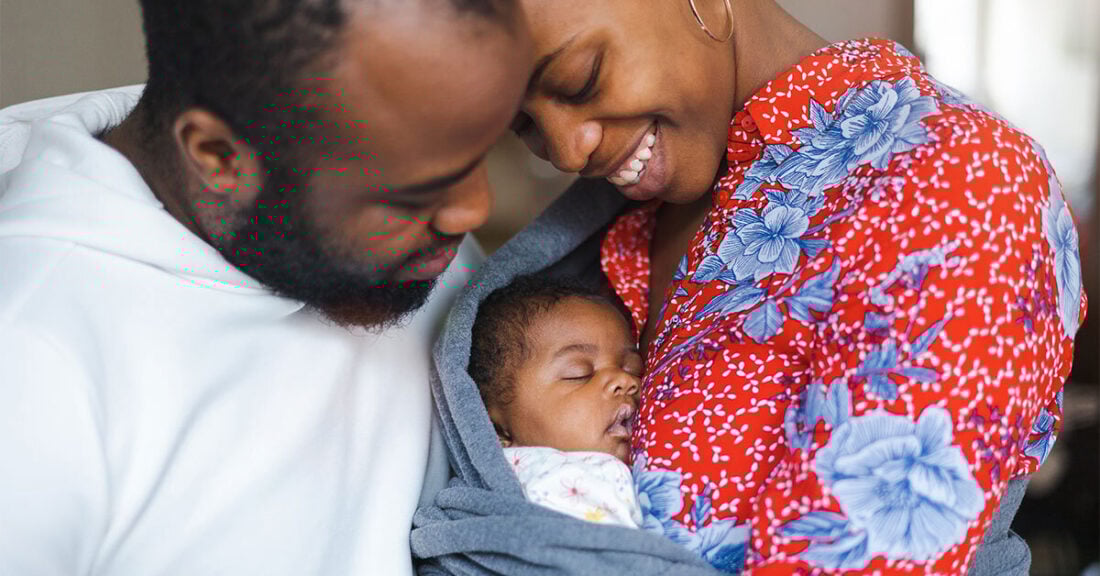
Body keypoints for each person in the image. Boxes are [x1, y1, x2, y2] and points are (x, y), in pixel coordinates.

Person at [500, 0, 1088, 574]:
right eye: (522, 124)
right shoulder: (644, 210)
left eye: (581, 79)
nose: (566, 151)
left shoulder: (964, 182)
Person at [0, 0, 532, 574]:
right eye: (414, 194)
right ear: (219, 157)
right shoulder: (32, 368)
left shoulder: (393, 159)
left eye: (482, 154)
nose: (474, 211)